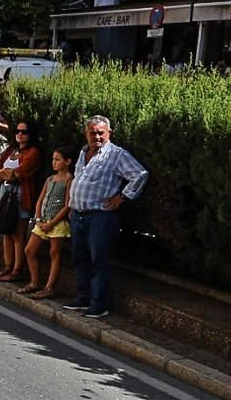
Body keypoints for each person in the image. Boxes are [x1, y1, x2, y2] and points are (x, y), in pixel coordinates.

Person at [66, 115, 148, 319]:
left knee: (98, 260)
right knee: (79, 257)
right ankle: (82, 297)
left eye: (101, 132)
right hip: (78, 214)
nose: (96, 136)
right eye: (92, 132)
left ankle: (98, 304)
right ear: (86, 133)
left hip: (100, 217)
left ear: (109, 133)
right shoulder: (83, 152)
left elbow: (139, 174)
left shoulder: (116, 155)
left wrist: (122, 197)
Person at [0, 118, 43, 283]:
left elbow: (19, 173)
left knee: (18, 234)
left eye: (24, 132)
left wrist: (7, 173)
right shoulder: (11, 149)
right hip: (6, 192)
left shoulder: (33, 152)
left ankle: (17, 270)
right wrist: (7, 173)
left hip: (21, 195)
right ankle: (7, 266)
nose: (20, 135)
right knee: (7, 231)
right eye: (17, 131)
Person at [21, 145, 74, 299]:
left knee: (54, 253)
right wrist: (38, 218)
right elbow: (40, 200)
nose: (54, 163)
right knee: (29, 250)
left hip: (57, 222)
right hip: (43, 220)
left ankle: (49, 287)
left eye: (58, 160)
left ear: (67, 161)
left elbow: (66, 205)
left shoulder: (69, 180)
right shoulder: (50, 179)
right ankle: (34, 281)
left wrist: (52, 223)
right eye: (53, 159)